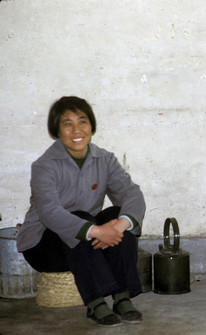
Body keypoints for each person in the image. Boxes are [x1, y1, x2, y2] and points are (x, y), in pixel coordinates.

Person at [17, 96, 146, 327]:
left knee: (118, 213)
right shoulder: (44, 166)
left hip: (87, 243)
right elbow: (49, 211)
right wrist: (96, 231)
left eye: (82, 122)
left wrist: (119, 225)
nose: (76, 130)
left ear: (91, 126)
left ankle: (122, 298)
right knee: (81, 218)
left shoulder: (105, 159)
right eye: (67, 123)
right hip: (44, 246)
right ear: (57, 130)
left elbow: (131, 194)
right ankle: (95, 303)